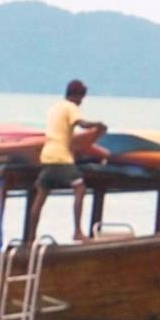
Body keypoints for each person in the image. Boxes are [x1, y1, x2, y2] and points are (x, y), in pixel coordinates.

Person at [35, 79, 107, 234]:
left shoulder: (55, 108)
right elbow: (82, 124)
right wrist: (98, 125)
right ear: (76, 95)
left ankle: (30, 237)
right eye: (81, 98)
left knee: (41, 194)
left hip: (47, 155)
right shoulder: (71, 107)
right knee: (80, 188)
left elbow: (64, 133)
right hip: (61, 157)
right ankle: (77, 231)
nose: (81, 102)